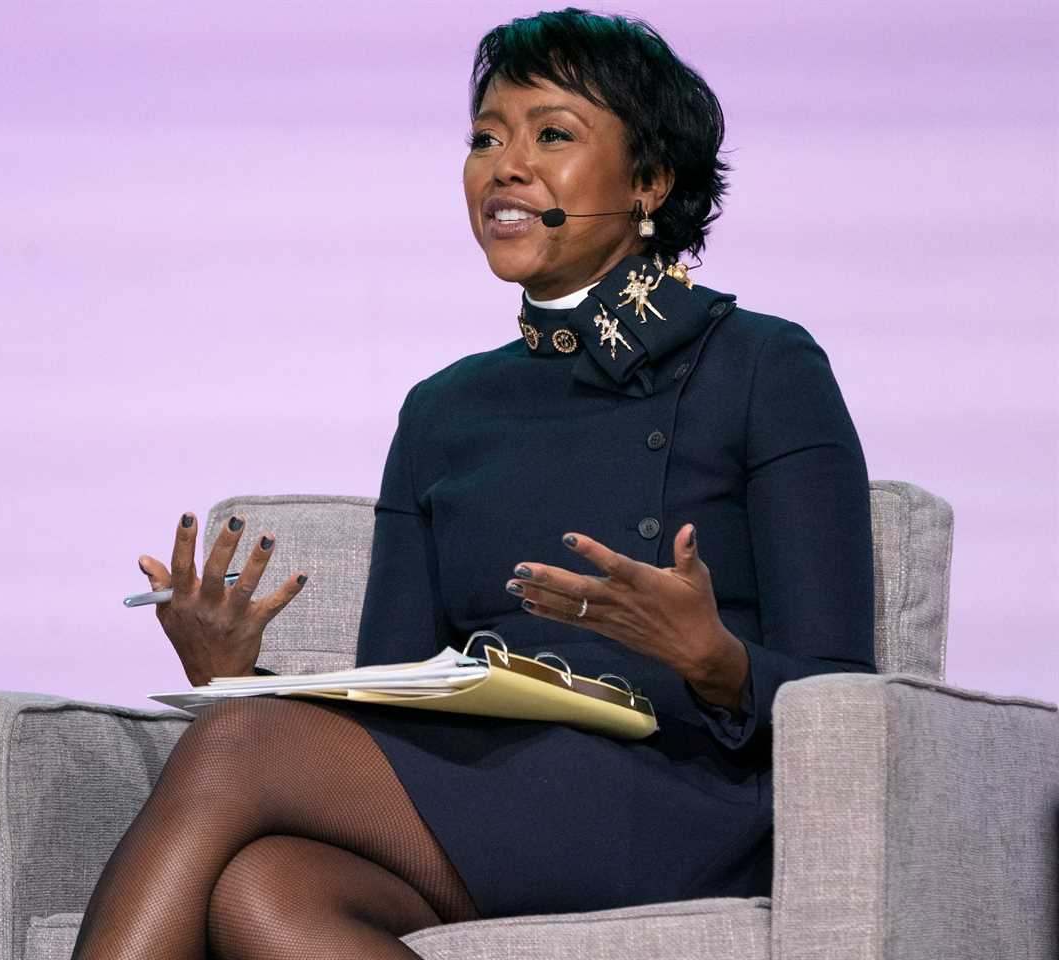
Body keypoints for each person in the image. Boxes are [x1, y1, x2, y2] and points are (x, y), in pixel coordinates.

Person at [68, 8, 876, 959]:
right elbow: (399, 691)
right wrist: (235, 674)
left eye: (552, 134)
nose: (504, 166)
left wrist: (711, 658)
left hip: (676, 789)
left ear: (651, 179)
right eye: (485, 137)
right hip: (493, 785)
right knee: (266, 892)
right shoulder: (443, 409)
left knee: (234, 747)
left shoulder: (762, 365)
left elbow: (846, 694)